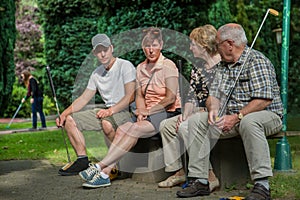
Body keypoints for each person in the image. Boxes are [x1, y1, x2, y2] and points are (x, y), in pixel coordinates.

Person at [176, 23, 283, 199]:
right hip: (232, 117)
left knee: (249, 122)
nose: (216, 48)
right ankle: (201, 180)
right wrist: (213, 109)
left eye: (218, 44)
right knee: (195, 121)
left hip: (265, 116)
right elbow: (213, 96)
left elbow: (263, 100)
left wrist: (236, 117)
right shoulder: (222, 67)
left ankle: (262, 186)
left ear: (230, 44)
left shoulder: (257, 61)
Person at [78, 27, 181, 188]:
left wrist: (148, 111)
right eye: (147, 46)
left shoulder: (168, 65)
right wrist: (140, 112)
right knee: (122, 129)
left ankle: (100, 167)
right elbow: (139, 96)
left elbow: (171, 98)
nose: (150, 49)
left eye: (154, 45)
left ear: (160, 44)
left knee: (133, 129)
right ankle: (105, 174)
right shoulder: (140, 68)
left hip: (167, 111)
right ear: (142, 47)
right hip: (147, 113)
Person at [56, 33, 136, 176]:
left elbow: (131, 96)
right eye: (98, 51)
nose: (103, 54)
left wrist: (110, 111)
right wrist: (64, 113)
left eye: (105, 49)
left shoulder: (125, 66)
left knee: (106, 124)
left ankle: (117, 164)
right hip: (107, 111)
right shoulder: (96, 74)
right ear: (94, 53)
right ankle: (82, 161)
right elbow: (84, 98)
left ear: (111, 48)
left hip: (125, 111)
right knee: (70, 120)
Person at [158, 25, 221, 191]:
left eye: (193, 43)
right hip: (196, 113)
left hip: (214, 115)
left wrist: (195, 116)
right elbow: (192, 96)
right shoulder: (198, 66)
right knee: (167, 125)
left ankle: (209, 175)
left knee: (186, 128)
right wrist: (184, 115)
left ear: (204, 45)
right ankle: (177, 171)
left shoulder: (223, 65)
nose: (190, 47)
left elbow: (220, 98)